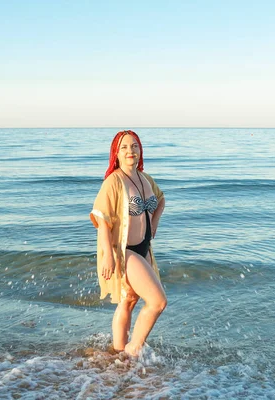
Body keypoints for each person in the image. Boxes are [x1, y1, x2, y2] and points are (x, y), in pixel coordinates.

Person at [90, 130, 166, 357]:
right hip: (124, 251)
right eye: (124, 147)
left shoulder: (145, 178)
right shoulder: (114, 181)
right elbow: (101, 218)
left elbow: (161, 199)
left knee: (129, 299)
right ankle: (133, 350)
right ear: (116, 153)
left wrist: (155, 221)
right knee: (158, 301)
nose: (130, 151)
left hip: (144, 249)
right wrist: (108, 256)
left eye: (134, 146)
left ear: (140, 150)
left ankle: (118, 351)